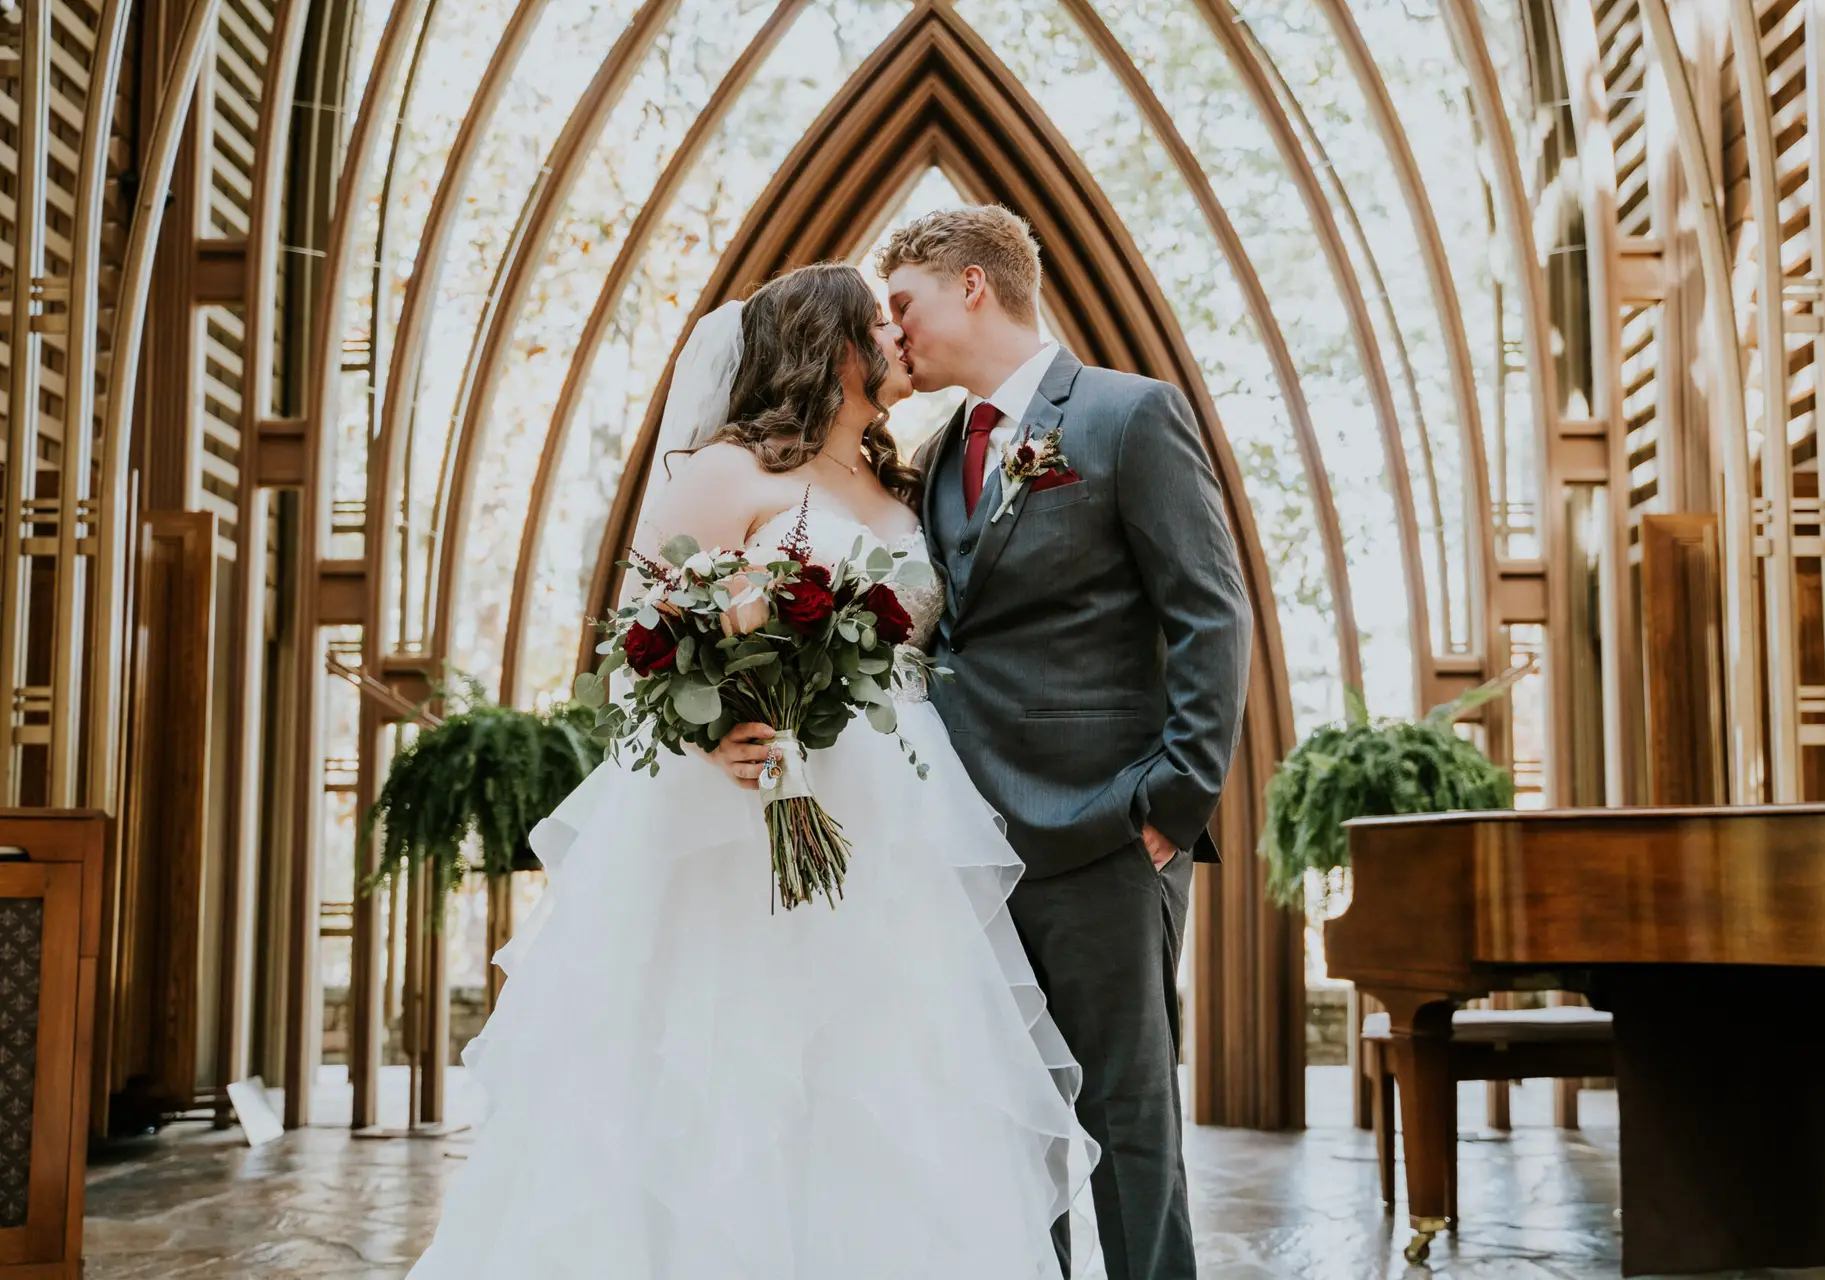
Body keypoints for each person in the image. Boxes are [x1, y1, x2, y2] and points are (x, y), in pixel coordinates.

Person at [407, 263, 1092, 1278]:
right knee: (739, 1069)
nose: (900, 338)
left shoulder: (903, 479)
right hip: (750, 803)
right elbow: (639, 641)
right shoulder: (721, 472)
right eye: (879, 324)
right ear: (831, 346)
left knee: (890, 1078)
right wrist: (709, 731)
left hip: (900, 817)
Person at [879, 205, 1253, 1280]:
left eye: (903, 304)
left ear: (971, 287)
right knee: (1009, 1131)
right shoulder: (937, 451)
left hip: (1105, 833)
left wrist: (1169, 805)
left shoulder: (1129, 417)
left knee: (1130, 1131)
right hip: (970, 847)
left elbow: (1209, 613)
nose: (894, 333)